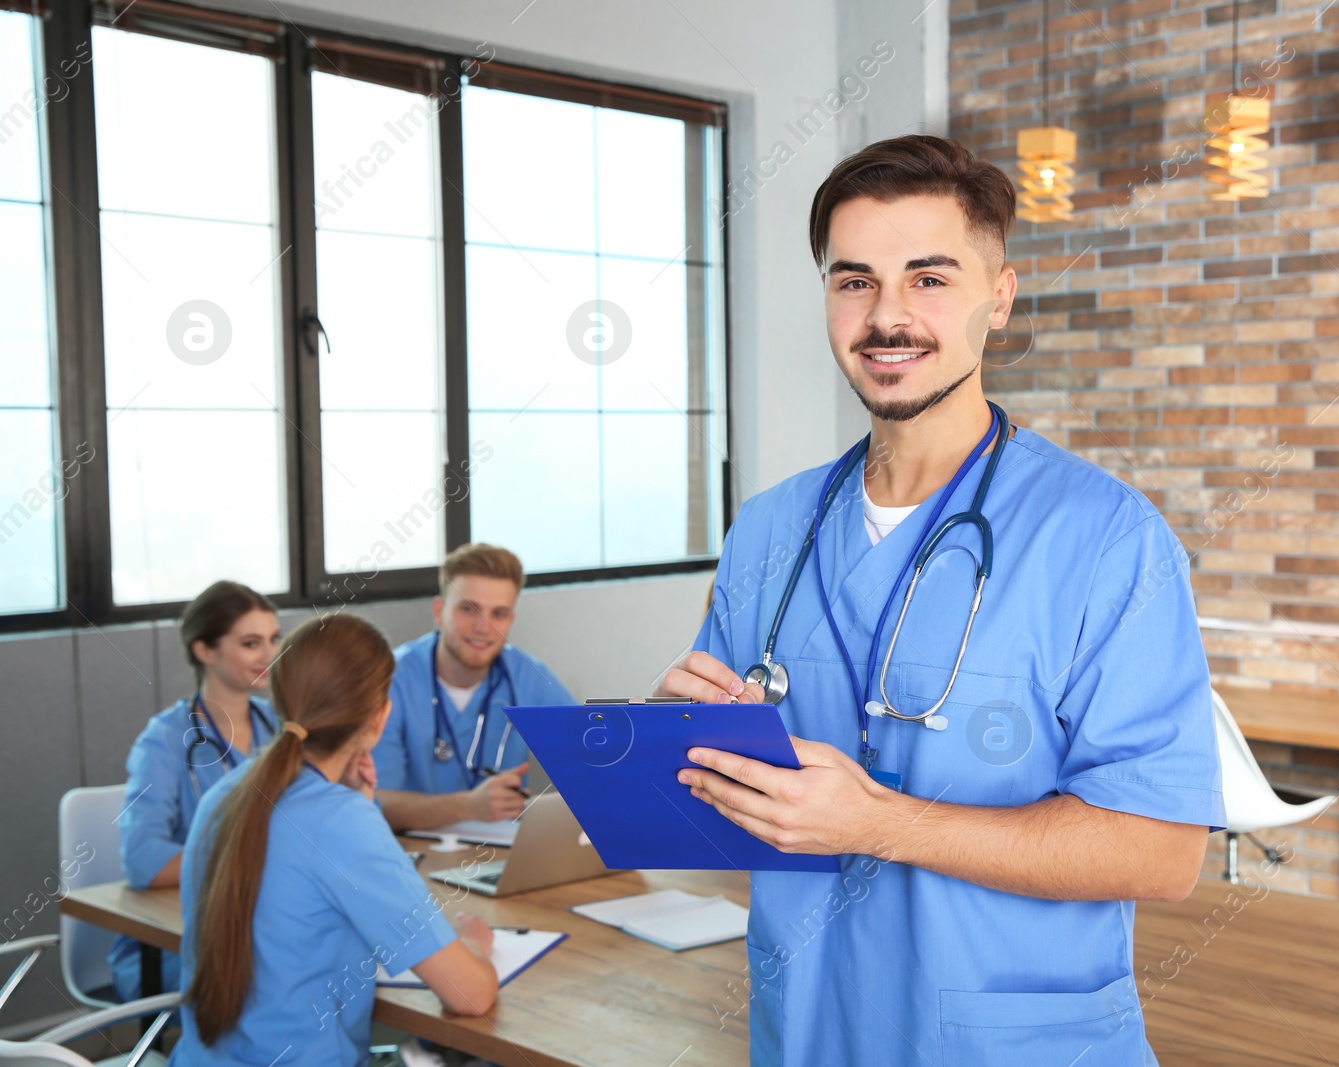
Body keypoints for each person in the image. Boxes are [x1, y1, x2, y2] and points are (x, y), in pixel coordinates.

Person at [660, 135, 1224, 1066]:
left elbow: (1162, 852)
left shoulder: (1106, 538)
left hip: (1010, 1041)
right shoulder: (770, 530)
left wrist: (878, 820)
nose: (888, 316)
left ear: (997, 299)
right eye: (854, 282)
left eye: (929, 279)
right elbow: (730, 807)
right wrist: (678, 748)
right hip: (808, 1028)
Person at [170, 613, 497, 1066]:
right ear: (379, 717)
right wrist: (475, 944)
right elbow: (470, 995)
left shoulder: (225, 795)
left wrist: (360, 808)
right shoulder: (342, 821)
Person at [112, 581, 280, 1002]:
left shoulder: (280, 728)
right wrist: (252, 854)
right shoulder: (165, 739)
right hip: (175, 939)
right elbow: (142, 862)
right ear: (205, 650)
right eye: (250, 643)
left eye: (274, 639)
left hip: (261, 916)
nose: (269, 654)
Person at [374, 543, 576, 831]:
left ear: (511, 620)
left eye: (499, 614)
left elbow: (594, 761)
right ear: (439, 611)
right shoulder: (392, 678)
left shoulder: (529, 676)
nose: (484, 628)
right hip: (413, 853)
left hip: (500, 856)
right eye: (469, 609)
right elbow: (372, 804)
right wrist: (468, 806)